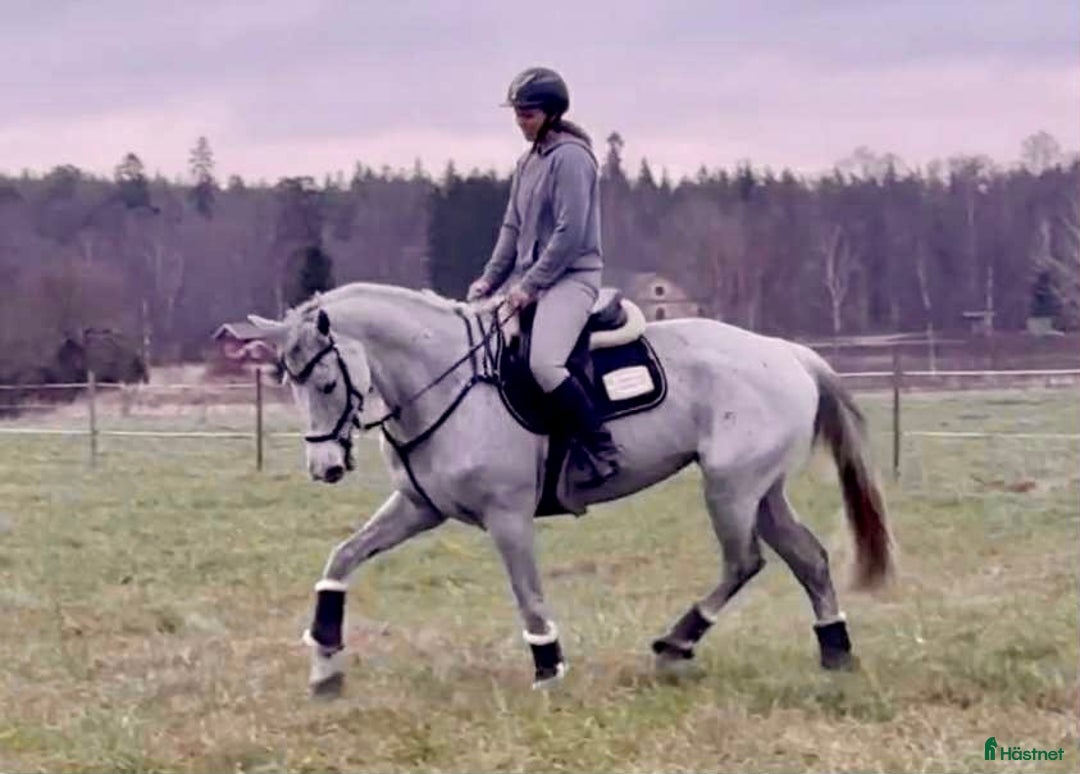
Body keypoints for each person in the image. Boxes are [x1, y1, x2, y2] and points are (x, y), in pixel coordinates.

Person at [467, 66, 619, 488]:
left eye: (528, 114)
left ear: (551, 113)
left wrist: (528, 287)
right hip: (529, 278)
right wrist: (489, 281)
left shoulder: (571, 158)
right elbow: (512, 229)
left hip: (572, 278)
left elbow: (570, 234)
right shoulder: (528, 162)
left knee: (545, 364)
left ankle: (600, 446)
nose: (521, 121)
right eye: (517, 113)